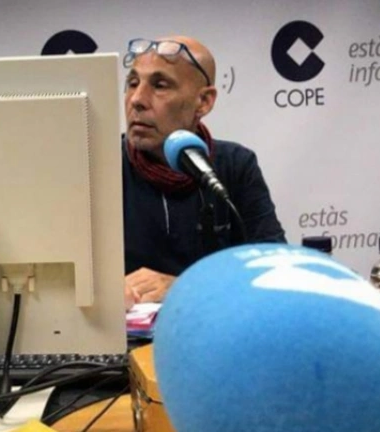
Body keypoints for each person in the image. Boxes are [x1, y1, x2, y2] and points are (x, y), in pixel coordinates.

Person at [122, 36, 286, 308]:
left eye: (160, 85)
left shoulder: (235, 165)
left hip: (211, 326)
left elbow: (275, 270)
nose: (137, 99)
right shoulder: (99, 166)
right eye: (133, 83)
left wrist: (183, 287)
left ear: (204, 101)